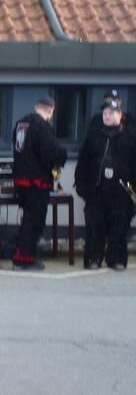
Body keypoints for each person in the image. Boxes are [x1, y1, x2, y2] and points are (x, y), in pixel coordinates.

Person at [75, 97, 136, 270]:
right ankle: (93, 259)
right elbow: (83, 162)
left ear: (120, 115)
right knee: (95, 227)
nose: (107, 116)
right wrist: (81, 185)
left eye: (111, 113)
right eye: (105, 113)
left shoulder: (131, 137)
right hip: (97, 189)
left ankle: (117, 259)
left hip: (122, 191)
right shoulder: (94, 135)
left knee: (120, 227)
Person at [11, 96, 67, 271]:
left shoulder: (21, 124)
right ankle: (24, 258)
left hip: (21, 180)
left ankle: (21, 255)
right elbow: (50, 153)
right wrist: (62, 156)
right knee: (34, 221)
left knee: (28, 218)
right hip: (37, 181)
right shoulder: (42, 126)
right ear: (50, 110)